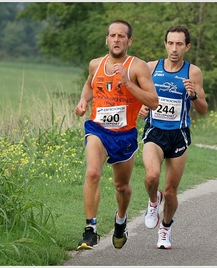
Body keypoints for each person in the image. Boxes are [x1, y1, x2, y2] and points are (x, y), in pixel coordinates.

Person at [74, 20, 159, 250]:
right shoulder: (96, 64)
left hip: (124, 134)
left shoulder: (137, 67)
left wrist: (128, 83)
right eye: (113, 35)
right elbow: (90, 85)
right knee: (92, 172)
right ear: (107, 39)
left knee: (122, 187)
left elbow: (153, 102)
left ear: (129, 41)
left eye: (122, 36)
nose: (117, 39)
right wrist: (83, 101)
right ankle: (90, 230)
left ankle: (120, 220)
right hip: (98, 129)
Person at [138, 25, 208, 249]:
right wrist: (140, 108)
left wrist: (194, 95)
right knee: (151, 176)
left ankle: (165, 228)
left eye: (179, 44)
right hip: (155, 132)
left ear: (187, 46)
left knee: (170, 192)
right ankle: (152, 201)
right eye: (171, 43)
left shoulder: (193, 72)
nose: (174, 48)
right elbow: (137, 96)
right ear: (165, 44)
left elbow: (203, 109)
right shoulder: (151, 67)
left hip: (179, 135)